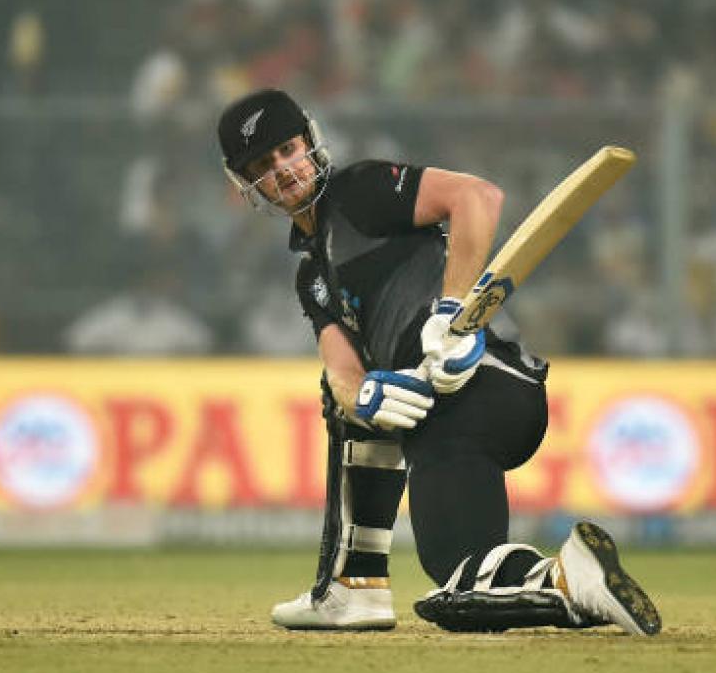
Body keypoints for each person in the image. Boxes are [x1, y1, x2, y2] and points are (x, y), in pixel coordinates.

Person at [216, 89, 661, 635]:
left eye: (288, 149)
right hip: (443, 421)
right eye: (263, 165)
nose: (284, 169)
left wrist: (451, 311)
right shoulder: (311, 276)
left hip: (485, 384)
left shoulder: (359, 191)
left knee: (456, 580)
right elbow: (342, 373)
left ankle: (569, 578)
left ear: (310, 142)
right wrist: (366, 396)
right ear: (246, 184)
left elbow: (477, 196)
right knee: (458, 576)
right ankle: (359, 587)